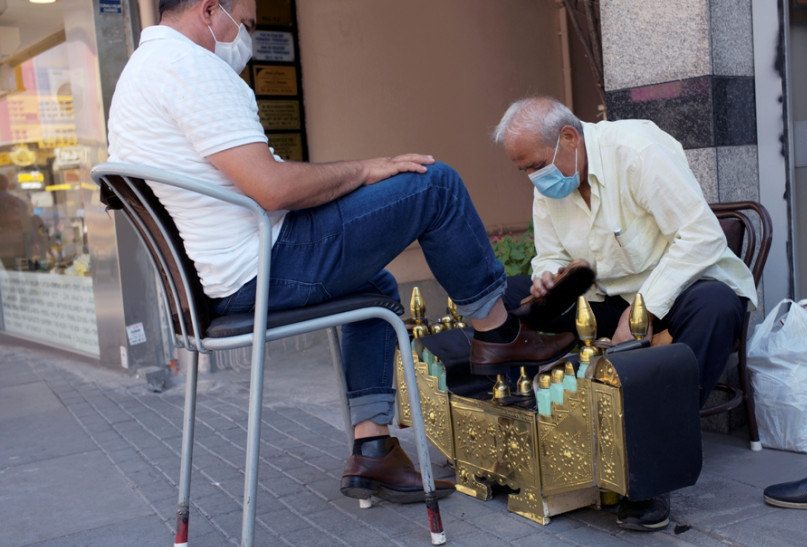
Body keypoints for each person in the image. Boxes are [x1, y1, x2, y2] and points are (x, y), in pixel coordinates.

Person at [106, 0, 574, 505]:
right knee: (435, 186)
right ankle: (499, 333)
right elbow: (273, 189)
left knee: (374, 287)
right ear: (209, 10)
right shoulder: (194, 69)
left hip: (225, 277)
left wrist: (355, 180)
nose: (245, 39)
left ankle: (372, 447)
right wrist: (366, 169)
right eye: (244, 25)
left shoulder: (141, 72)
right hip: (262, 268)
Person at [493, 96, 758, 531]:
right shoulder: (551, 178)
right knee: (503, 298)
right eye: (523, 170)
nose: (534, 178)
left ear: (569, 137)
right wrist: (545, 277)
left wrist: (644, 309)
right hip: (605, 298)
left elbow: (701, 236)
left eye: (536, 165)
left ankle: (648, 462)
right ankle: (530, 427)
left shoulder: (635, 151)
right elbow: (549, 254)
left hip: (681, 292)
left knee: (717, 307)